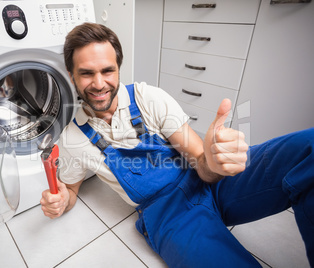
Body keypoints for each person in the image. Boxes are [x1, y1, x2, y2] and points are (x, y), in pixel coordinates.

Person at [40, 22, 314, 267]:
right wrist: (61, 200)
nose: (99, 84)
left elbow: (202, 166)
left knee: (308, 148)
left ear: (118, 68)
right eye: (87, 73)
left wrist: (213, 159)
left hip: (209, 183)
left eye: (107, 70)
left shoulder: (149, 98)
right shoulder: (73, 138)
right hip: (169, 216)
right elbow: (72, 188)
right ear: (71, 74)